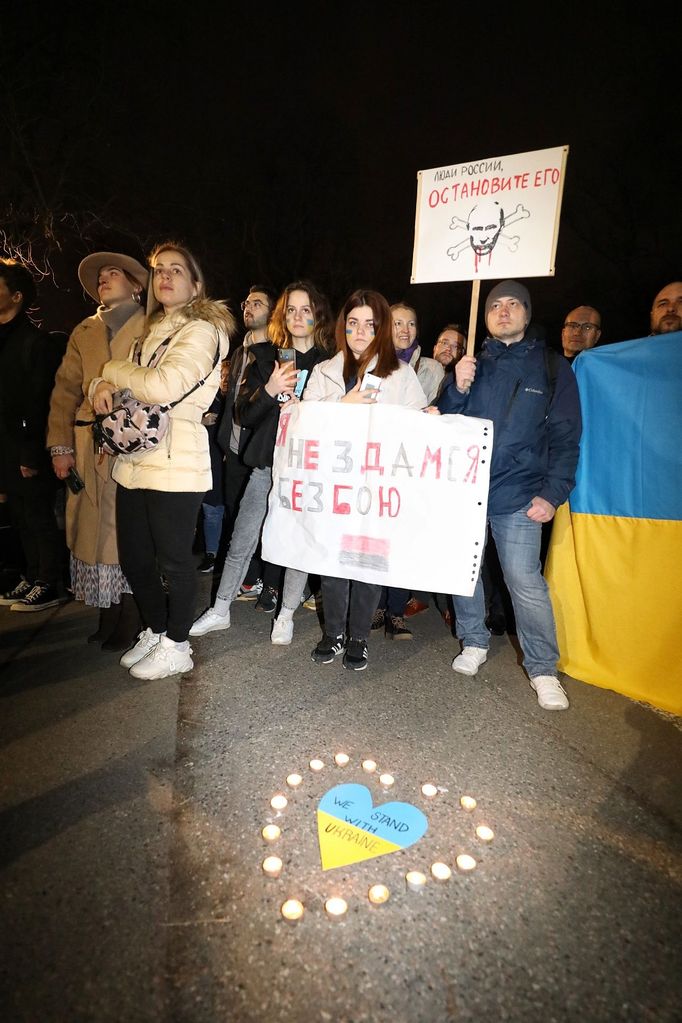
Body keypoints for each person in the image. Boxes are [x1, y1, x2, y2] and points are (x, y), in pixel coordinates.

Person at [91, 242, 234, 679]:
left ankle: (177, 644)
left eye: (176, 270)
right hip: (135, 459)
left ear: (195, 283)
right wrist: (101, 379)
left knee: (174, 559)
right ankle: (155, 629)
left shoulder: (204, 330)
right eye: (158, 271)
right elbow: (127, 378)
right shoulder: (154, 329)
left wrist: (110, 371)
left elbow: (163, 385)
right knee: (135, 558)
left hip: (177, 459)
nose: (165, 277)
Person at [437, 280, 581, 711]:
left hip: (519, 493)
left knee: (524, 580)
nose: (503, 311)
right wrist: (455, 388)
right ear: (484, 317)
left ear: (527, 313)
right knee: (464, 572)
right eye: (495, 304)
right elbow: (444, 424)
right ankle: (474, 641)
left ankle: (542, 669)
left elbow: (567, 436)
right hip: (466, 489)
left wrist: (553, 493)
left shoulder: (552, 367)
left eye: (513, 304)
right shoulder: (470, 364)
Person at [190, 281, 333, 639]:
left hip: (306, 468)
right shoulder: (267, 357)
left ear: (318, 315)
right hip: (267, 464)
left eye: (306, 309)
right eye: (291, 310)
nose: (298, 316)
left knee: (296, 541)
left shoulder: (330, 364)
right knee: (243, 537)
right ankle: (220, 607)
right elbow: (244, 414)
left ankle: (285, 614)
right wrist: (270, 390)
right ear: (282, 317)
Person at [305, 289, 427, 670]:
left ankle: (359, 636)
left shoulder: (402, 374)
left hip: (377, 485)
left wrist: (430, 419)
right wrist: (341, 406)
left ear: (382, 328)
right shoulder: (325, 371)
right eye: (353, 323)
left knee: (368, 562)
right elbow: (301, 420)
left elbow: (417, 424)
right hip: (334, 484)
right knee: (333, 563)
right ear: (343, 327)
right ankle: (333, 633)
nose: (360, 332)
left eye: (369, 324)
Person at [47, 252, 148, 649]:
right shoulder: (84, 330)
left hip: (130, 440)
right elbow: (65, 391)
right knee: (92, 528)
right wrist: (60, 446)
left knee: (125, 529)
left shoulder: (150, 325)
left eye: (113, 273)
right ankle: (109, 609)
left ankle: (133, 610)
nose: (104, 280)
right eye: (100, 276)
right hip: (88, 444)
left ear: (137, 285)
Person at [0, 259, 65, 611]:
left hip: (29, 446)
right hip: (4, 447)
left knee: (38, 514)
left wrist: (31, 453)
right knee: (18, 515)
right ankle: (30, 573)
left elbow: (42, 402)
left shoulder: (36, 343)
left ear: (17, 296)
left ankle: (48, 581)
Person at [215, 284, 277, 602]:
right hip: (234, 449)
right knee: (233, 512)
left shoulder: (277, 353)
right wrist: (226, 443)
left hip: (259, 452)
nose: (249, 307)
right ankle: (245, 576)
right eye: (246, 302)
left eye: (258, 303)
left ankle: (262, 578)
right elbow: (232, 403)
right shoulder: (239, 351)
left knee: (259, 516)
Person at [405, 323, 466, 620]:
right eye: (443, 342)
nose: (447, 349)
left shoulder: (464, 379)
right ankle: (418, 595)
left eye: (455, 346)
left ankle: (447, 602)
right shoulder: (423, 370)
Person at [391, 302, 444, 404]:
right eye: (398, 323)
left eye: (411, 324)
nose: (405, 330)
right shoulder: (372, 363)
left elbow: (438, 411)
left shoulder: (432, 369)